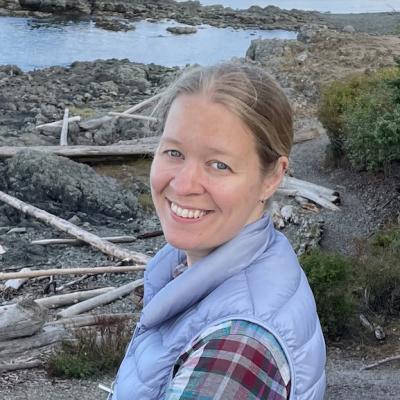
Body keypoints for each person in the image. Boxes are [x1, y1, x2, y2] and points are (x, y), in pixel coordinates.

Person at [111, 62, 326, 400]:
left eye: (219, 164)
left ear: (272, 177)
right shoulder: (197, 268)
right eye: (173, 152)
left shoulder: (236, 351)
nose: (182, 184)